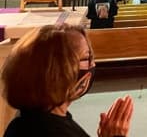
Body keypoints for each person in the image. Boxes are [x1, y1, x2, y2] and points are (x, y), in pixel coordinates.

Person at [2, 24, 133, 137]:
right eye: (87, 58)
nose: (92, 64)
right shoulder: (51, 131)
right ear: (57, 71)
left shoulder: (27, 119)